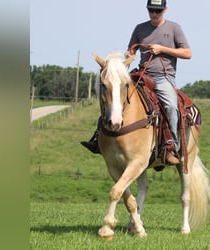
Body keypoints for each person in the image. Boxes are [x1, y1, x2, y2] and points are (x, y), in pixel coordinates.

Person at [82, 0, 191, 165]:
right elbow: (131, 50)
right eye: (151, 10)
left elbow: (187, 53)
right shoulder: (140, 28)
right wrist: (128, 54)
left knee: (170, 105)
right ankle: (99, 137)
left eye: (158, 11)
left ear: (165, 10)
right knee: (117, 95)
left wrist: (162, 49)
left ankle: (171, 147)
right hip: (142, 74)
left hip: (163, 76)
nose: (154, 14)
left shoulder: (174, 28)